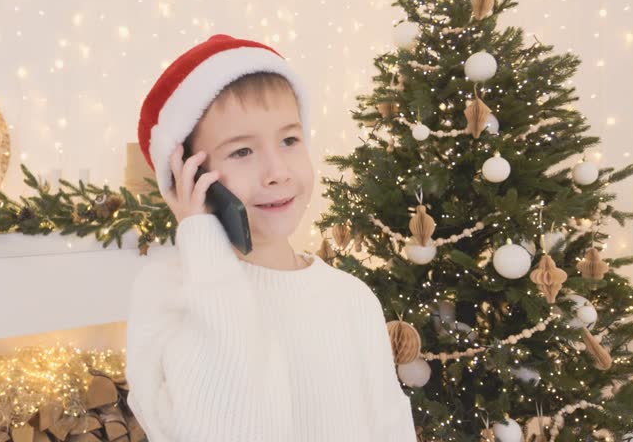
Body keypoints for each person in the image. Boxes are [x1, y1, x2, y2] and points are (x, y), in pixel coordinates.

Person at [126, 33, 418, 441]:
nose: (277, 171)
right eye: (242, 151)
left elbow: (391, 429)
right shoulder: (167, 293)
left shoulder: (351, 298)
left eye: (289, 140)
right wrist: (206, 253)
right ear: (187, 176)